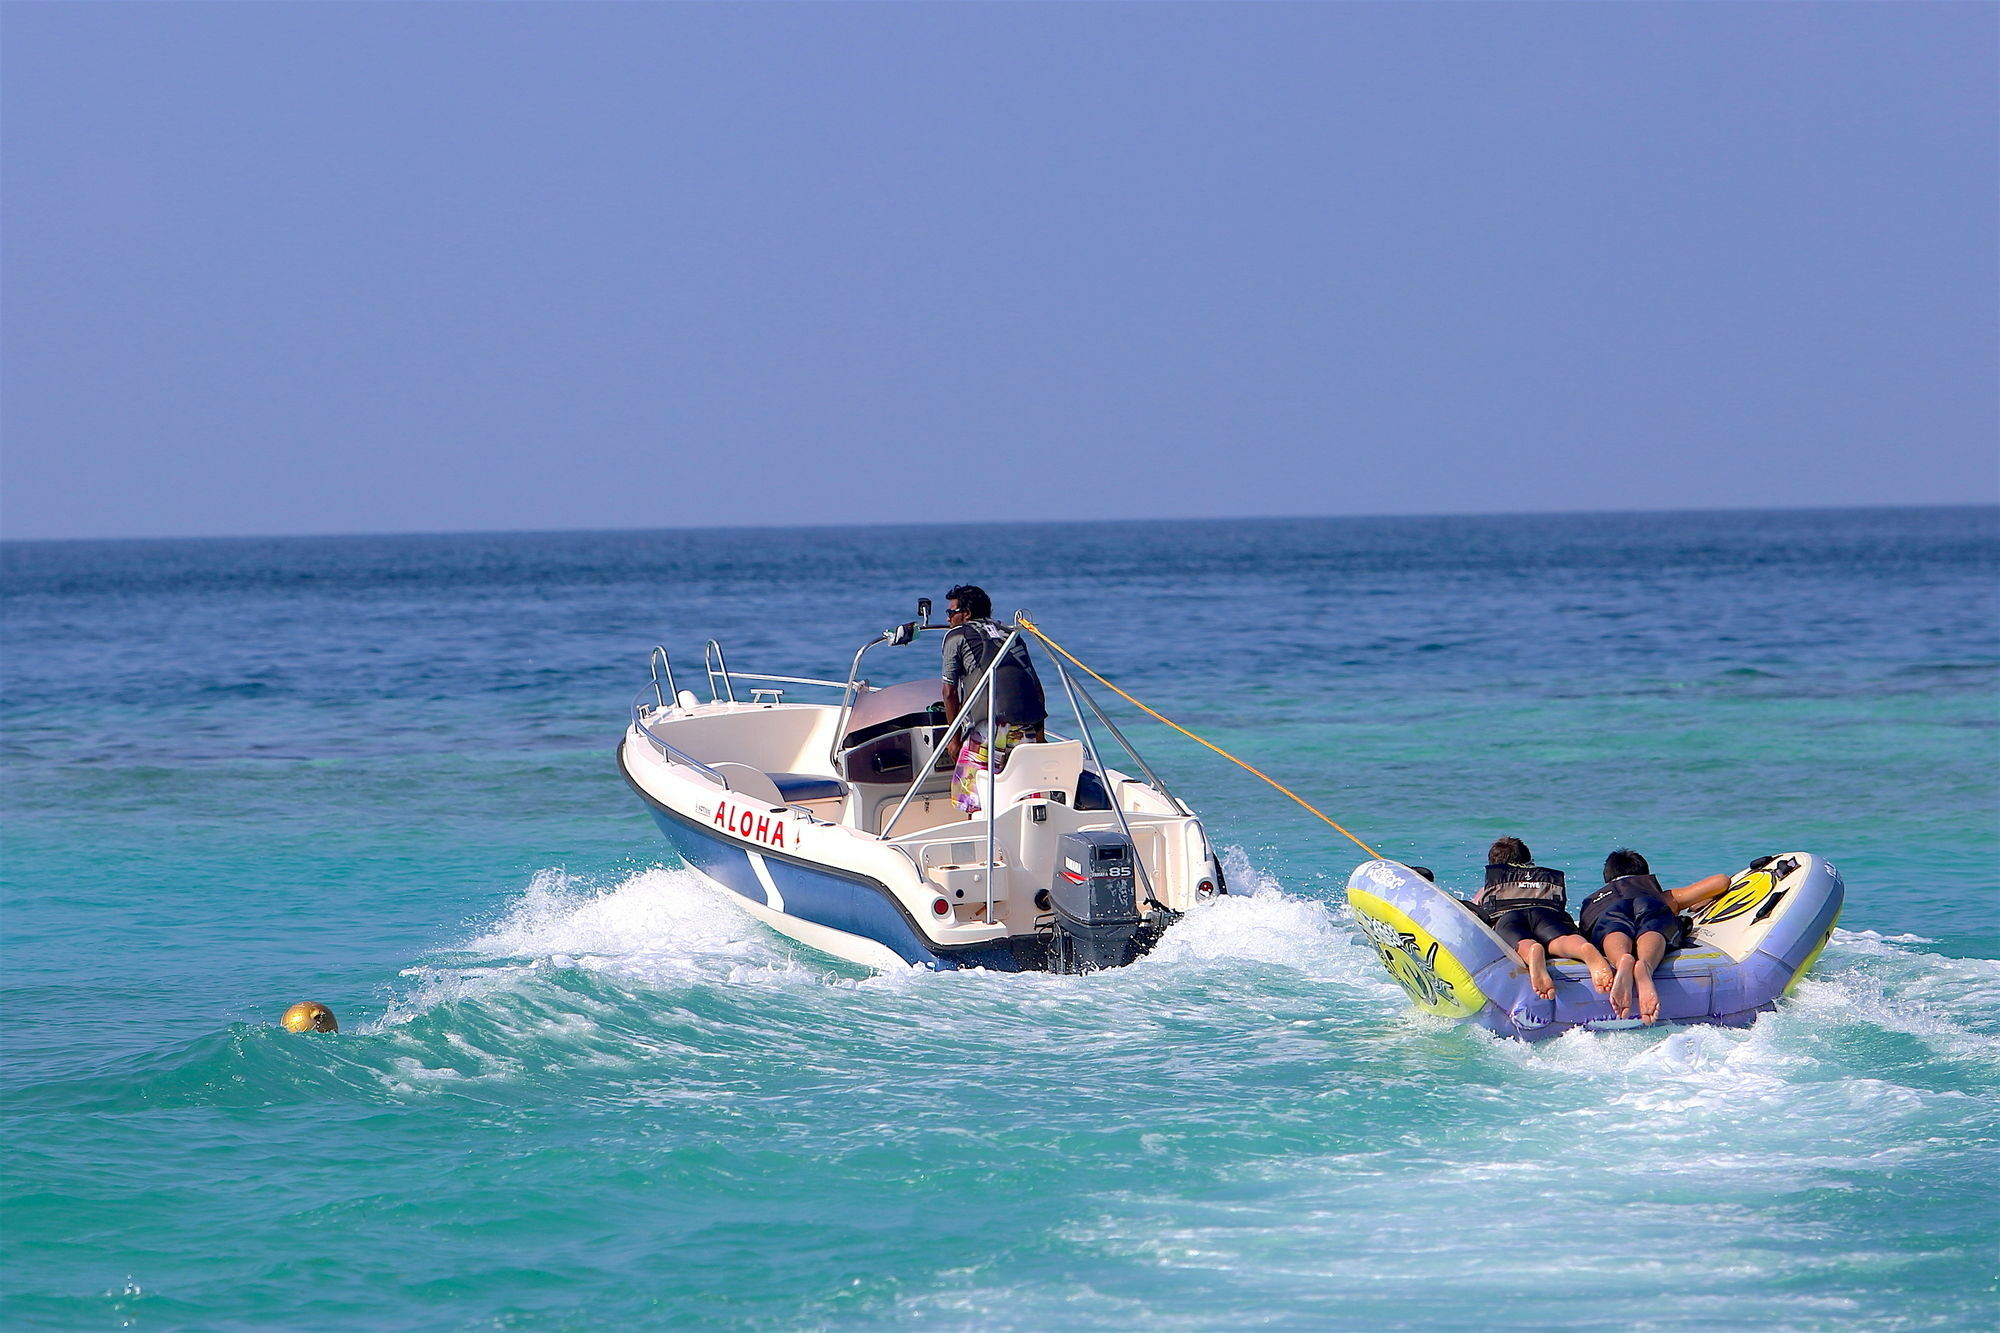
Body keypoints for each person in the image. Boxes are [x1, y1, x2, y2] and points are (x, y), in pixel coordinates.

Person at [1578, 849, 1732, 1024]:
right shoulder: (1661, 895)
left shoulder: (1595, 901)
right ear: (1645, 874)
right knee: (1654, 928)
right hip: (1650, 905)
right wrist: (1699, 900)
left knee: (1611, 931)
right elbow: (1721, 881)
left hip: (1609, 912)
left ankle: (1622, 960)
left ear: (1607, 879)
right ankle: (1646, 965)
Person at [939, 585, 1047, 814]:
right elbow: (1036, 686)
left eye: (951, 613)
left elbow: (949, 693)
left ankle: (981, 841)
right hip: (1026, 726)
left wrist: (954, 739)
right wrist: (1040, 735)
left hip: (988, 729)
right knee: (1023, 796)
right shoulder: (1011, 634)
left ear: (966, 613)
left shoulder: (955, 636)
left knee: (970, 799)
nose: (948, 618)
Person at [1471, 837, 1615, 1001]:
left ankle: (1532, 951)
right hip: (1546, 913)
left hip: (1509, 917)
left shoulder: (1488, 890)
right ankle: (1583, 949)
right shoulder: (1541, 883)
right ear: (1530, 862)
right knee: (1560, 940)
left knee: (1520, 942)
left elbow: (1480, 917)